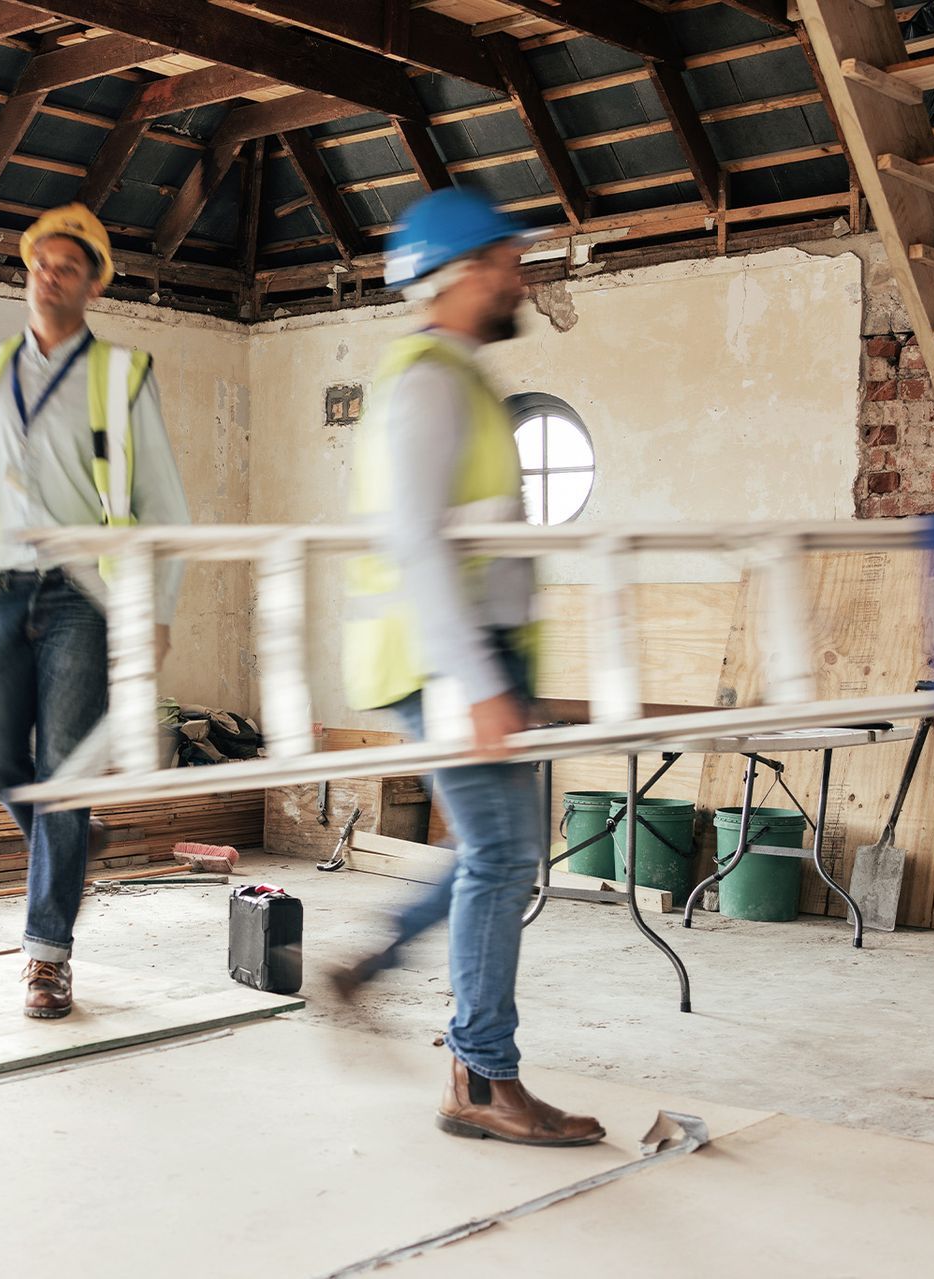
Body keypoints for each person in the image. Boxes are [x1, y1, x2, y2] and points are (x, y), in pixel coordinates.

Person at [331, 190, 604, 1147]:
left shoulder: (461, 379)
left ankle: (378, 969)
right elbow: (414, 543)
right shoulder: (430, 384)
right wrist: (479, 682)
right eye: (503, 263)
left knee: (502, 850)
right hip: (443, 660)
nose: (516, 278)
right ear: (456, 276)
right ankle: (483, 1077)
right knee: (501, 855)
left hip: (472, 658)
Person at [0, 205, 189, 1019]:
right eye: (42, 261)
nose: (50, 274)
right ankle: (69, 836)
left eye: (69, 265)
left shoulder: (122, 373)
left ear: (94, 283)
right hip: (1, 590)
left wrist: (160, 609)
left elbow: (163, 506)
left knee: (65, 771)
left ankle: (47, 957)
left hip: (86, 597)